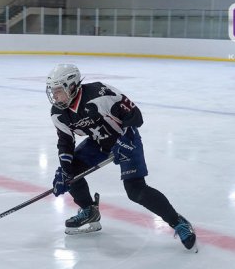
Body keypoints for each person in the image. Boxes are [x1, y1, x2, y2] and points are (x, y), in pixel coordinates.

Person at [46, 64, 197, 251]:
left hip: (126, 139)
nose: (55, 96)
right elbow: (65, 143)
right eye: (53, 91)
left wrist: (124, 141)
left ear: (72, 86)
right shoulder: (58, 113)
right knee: (70, 173)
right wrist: (64, 171)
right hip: (98, 143)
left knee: (136, 191)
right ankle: (88, 210)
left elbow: (136, 116)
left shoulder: (100, 94)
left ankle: (178, 222)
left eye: (59, 91)